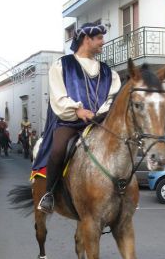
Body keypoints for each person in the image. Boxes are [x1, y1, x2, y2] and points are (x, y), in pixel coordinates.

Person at [37, 22, 121, 213]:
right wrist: (78, 110)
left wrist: (100, 114)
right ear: (86, 39)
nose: (103, 42)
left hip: (99, 123)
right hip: (69, 122)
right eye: (99, 38)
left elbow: (112, 98)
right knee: (58, 150)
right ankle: (49, 194)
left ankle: (122, 194)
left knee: (120, 150)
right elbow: (58, 97)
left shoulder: (110, 73)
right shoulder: (62, 65)